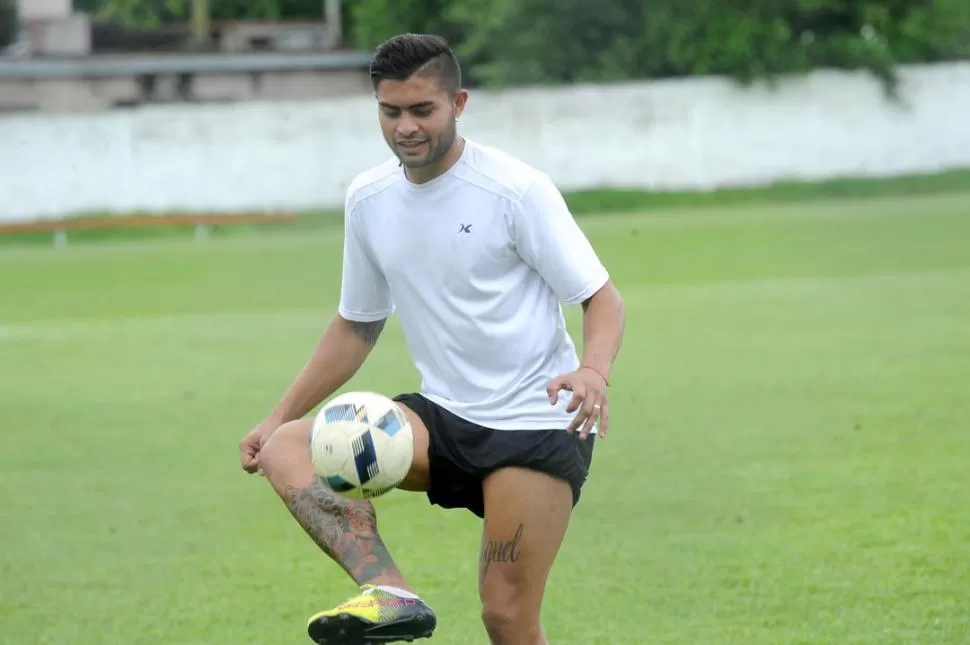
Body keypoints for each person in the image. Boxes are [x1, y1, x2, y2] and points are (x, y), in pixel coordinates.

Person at [239, 32, 626, 645]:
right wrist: (277, 414)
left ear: (459, 103)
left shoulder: (514, 191)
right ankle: (390, 595)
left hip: (535, 424)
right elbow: (357, 323)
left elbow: (601, 298)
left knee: (506, 617)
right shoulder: (369, 199)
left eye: (423, 110)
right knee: (290, 448)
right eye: (391, 112)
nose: (406, 128)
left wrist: (593, 372)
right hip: (443, 419)